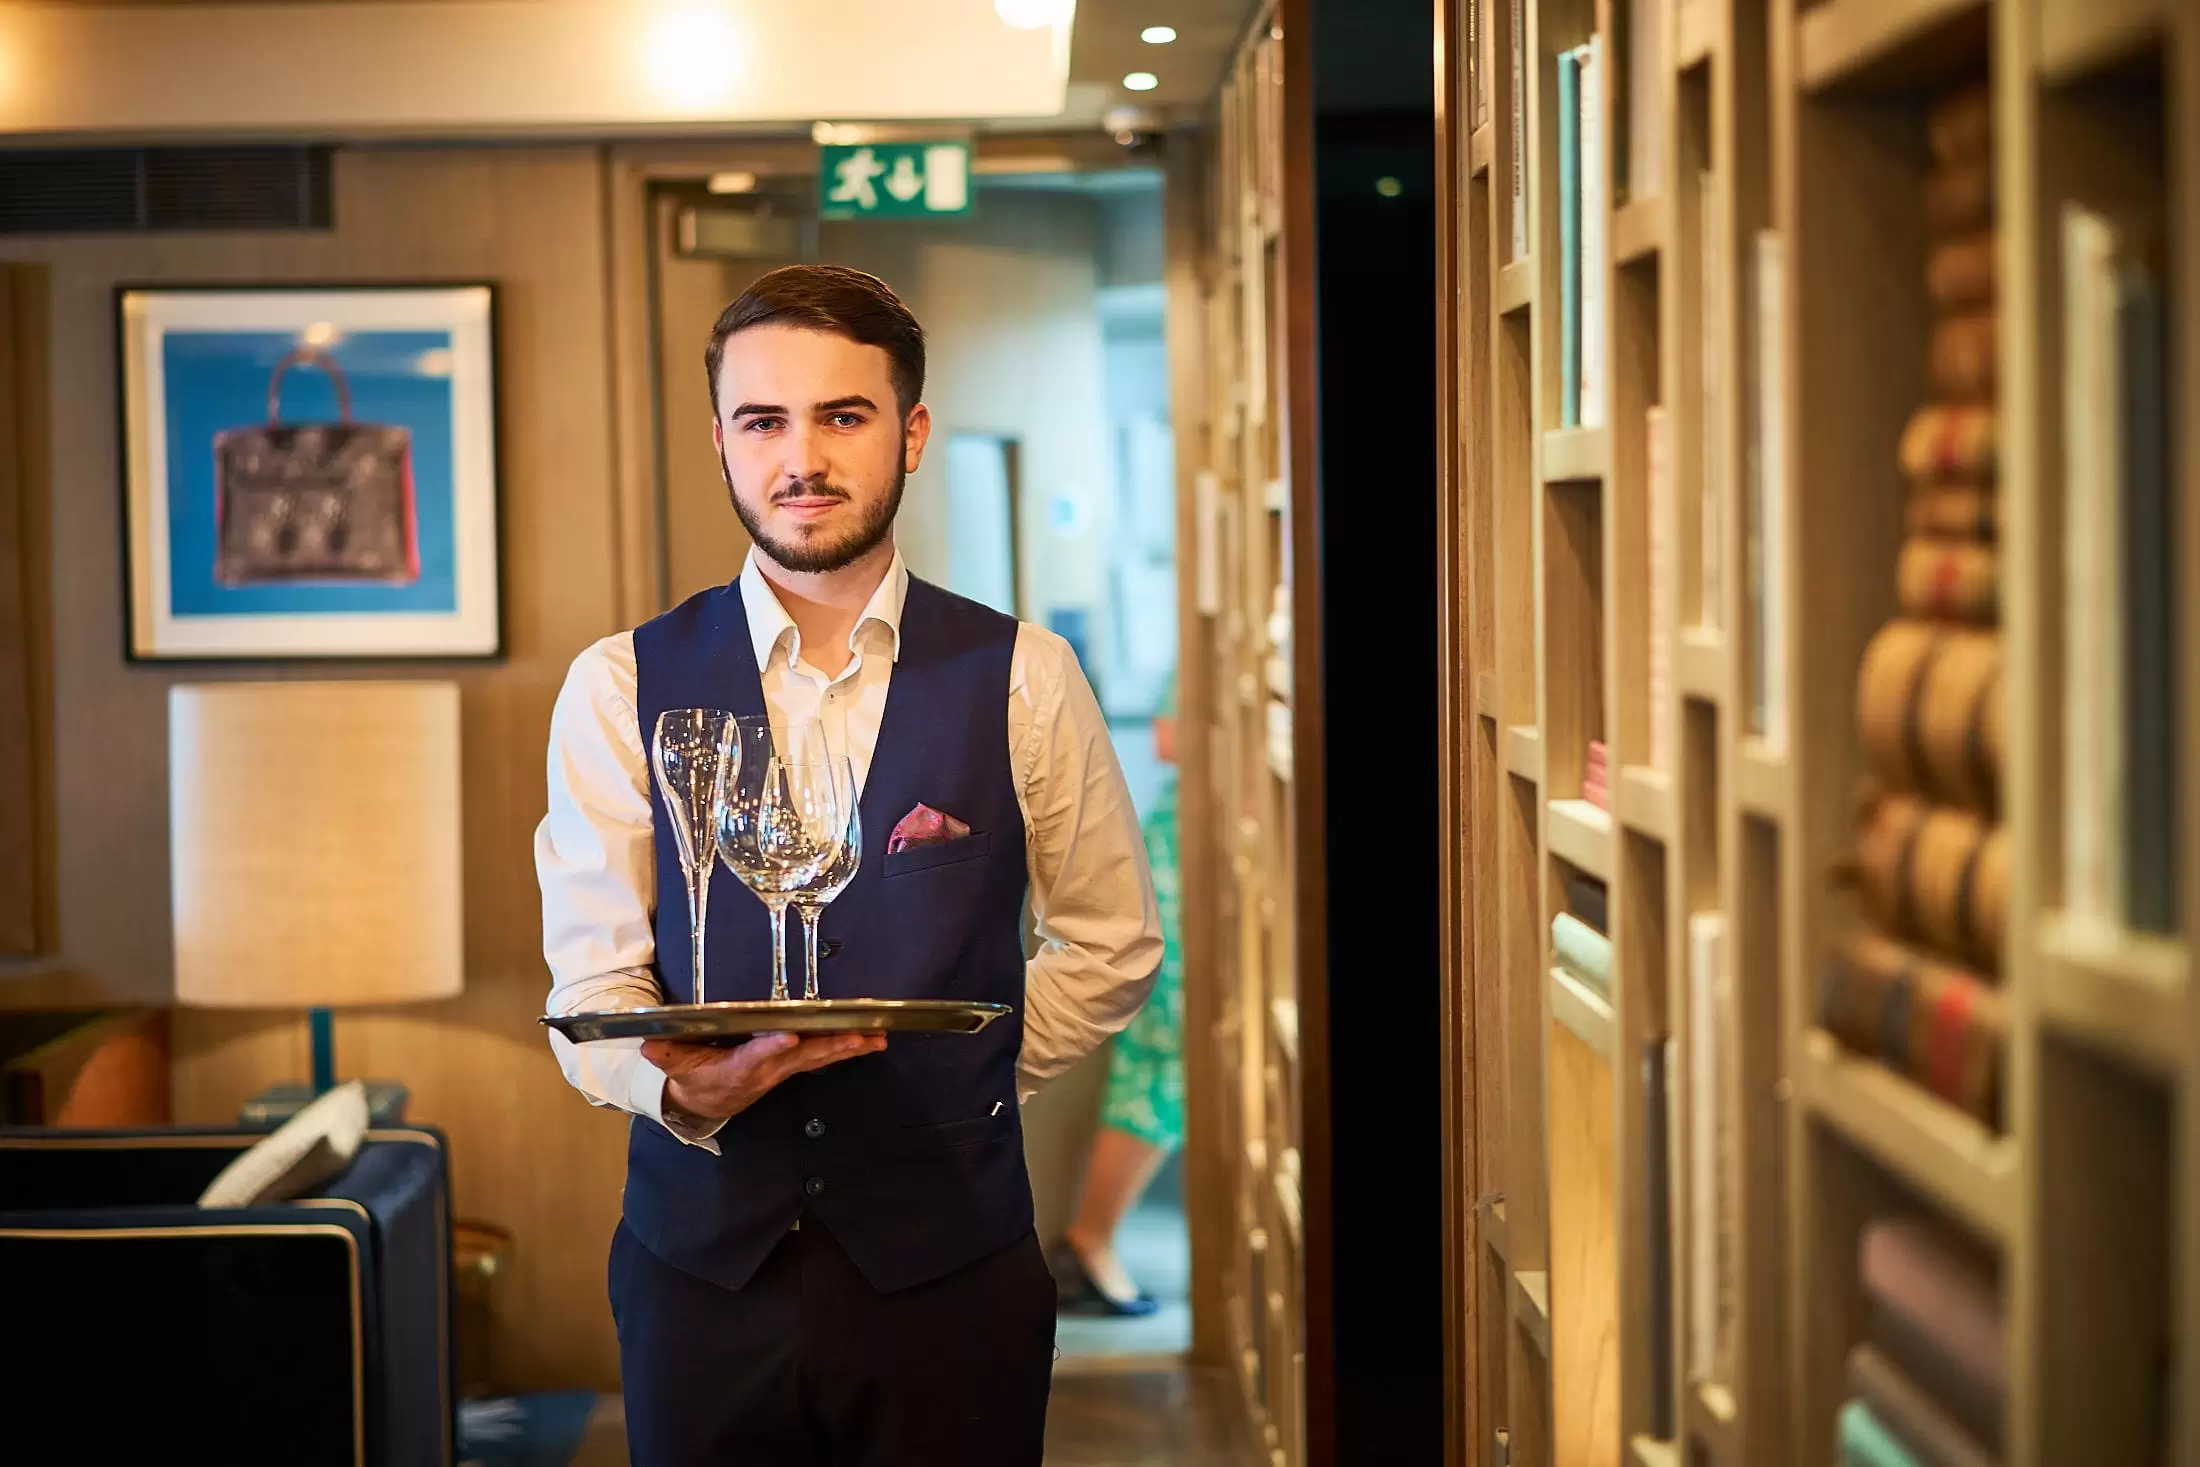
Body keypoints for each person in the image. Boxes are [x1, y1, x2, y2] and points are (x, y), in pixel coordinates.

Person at [534, 264, 1163, 1466]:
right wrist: (677, 1089)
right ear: (719, 439)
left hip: (952, 1272)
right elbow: (594, 978)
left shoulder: (1027, 675)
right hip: (700, 1275)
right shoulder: (617, 685)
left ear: (910, 433)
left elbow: (1113, 941)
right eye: (763, 420)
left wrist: (968, 1077)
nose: (799, 458)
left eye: (842, 415)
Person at [1051, 688, 1185, 1316]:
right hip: (1183, 868)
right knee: (1163, 1063)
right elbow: (1168, 736)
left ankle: (1092, 1241)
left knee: (1162, 1069)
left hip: (1193, 860)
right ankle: (1091, 1239)